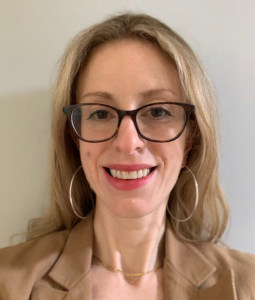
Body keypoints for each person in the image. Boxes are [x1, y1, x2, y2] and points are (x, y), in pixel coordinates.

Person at [0, 13, 254, 300]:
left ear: (190, 138)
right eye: (100, 113)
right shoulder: (7, 282)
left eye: (158, 111)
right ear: (74, 136)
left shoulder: (247, 284)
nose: (128, 142)